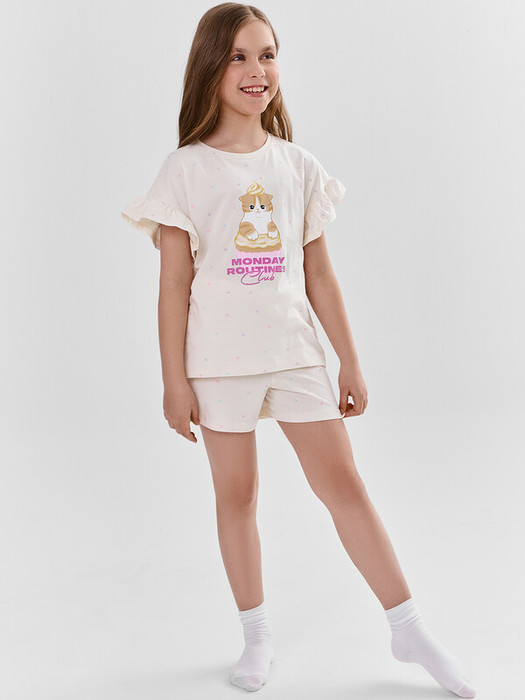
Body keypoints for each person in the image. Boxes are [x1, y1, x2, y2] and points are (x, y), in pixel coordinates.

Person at [121, 3, 476, 696]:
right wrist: (173, 382)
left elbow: (319, 273)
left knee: (344, 486)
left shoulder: (297, 165)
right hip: (217, 361)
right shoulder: (185, 170)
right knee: (237, 496)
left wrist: (349, 360)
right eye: (238, 57)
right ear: (211, 67)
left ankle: (408, 628)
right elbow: (172, 286)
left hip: (294, 353)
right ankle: (256, 635)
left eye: (267, 54)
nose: (256, 70)